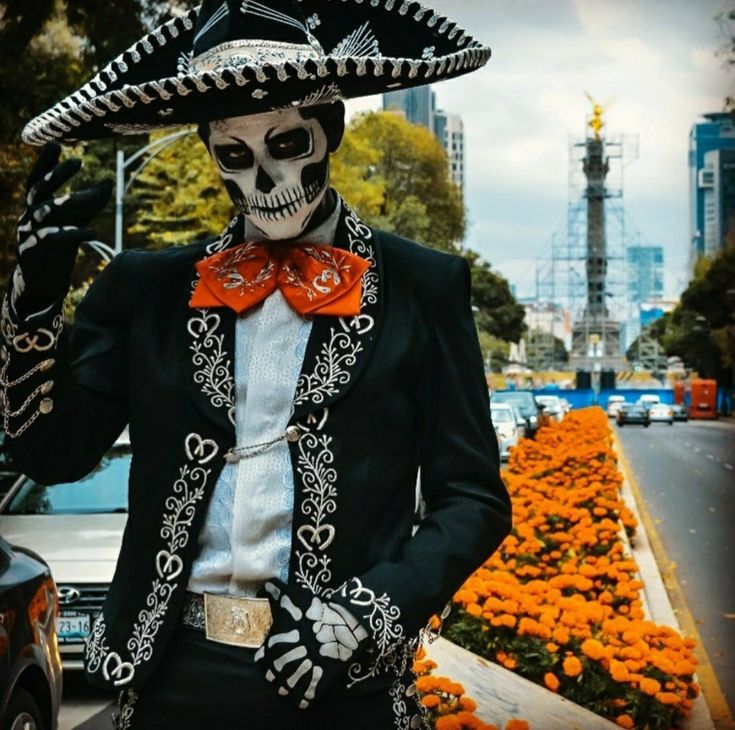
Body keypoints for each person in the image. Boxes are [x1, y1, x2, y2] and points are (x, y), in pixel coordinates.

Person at [2, 1, 511, 727]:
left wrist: (359, 616)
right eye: (235, 155)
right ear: (211, 150)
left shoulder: (422, 287)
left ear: (327, 129)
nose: (265, 178)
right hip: (173, 675)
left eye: (286, 143)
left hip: (341, 685)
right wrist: (34, 304)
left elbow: (473, 500)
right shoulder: (145, 291)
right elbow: (49, 453)